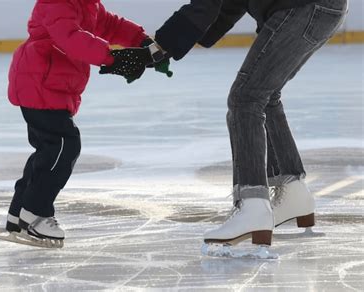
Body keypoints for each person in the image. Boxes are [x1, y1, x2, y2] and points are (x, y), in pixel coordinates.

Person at [101, 0, 348, 251]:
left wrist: (157, 49)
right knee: (265, 95)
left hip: (302, 8)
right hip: (316, 8)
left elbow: (207, 4)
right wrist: (167, 47)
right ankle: (292, 191)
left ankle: (252, 205)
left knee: (245, 99)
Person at [0, 0, 169, 248]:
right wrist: (110, 58)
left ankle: (18, 215)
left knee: (49, 150)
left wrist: (141, 40)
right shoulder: (57, 2)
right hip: (40, 83)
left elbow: (111, 25)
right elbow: (71, 37)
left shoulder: (87, 5)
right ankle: (35, 213)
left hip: (48, 85)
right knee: (64, 146)